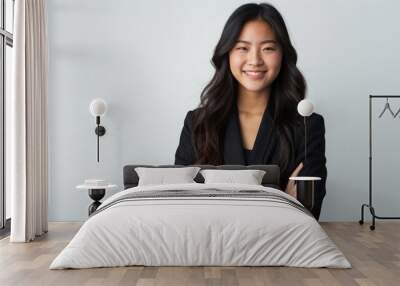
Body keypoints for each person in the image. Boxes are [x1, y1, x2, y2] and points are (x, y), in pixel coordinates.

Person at [174, 3, 327, 220]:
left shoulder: (307, 125)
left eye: (268, 48)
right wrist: (281, 200)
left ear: (283, 54)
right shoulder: (198, 123)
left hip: (280, 251)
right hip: (207, 250)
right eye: (242, 48)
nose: (255, 60)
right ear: (227, 53)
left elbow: (308, 211)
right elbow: (180, 206)